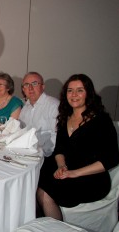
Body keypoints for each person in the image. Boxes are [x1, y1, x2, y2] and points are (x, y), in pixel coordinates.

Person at [36, 74, 119, 220]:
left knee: (44, 190)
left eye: (79, 90)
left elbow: (110, 159)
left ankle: (55, 227)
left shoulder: (101, 120)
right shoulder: (65, 116)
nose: (74, 95)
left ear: (88, 93)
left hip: (92, 178)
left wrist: (74, 173)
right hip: (69, 169)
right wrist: (62, 166)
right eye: (70, 90)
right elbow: (59, 149)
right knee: (35, 177)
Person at [19, 72, 59, 157]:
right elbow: (21, 132)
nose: (30, 88)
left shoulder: (53, 106)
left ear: (43, 87)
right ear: (23, 89)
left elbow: (57, 137)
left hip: (47, 157)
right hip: (27, 153)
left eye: (34, 83)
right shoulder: (25, 108)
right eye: (26, 85)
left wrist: (39, 154)